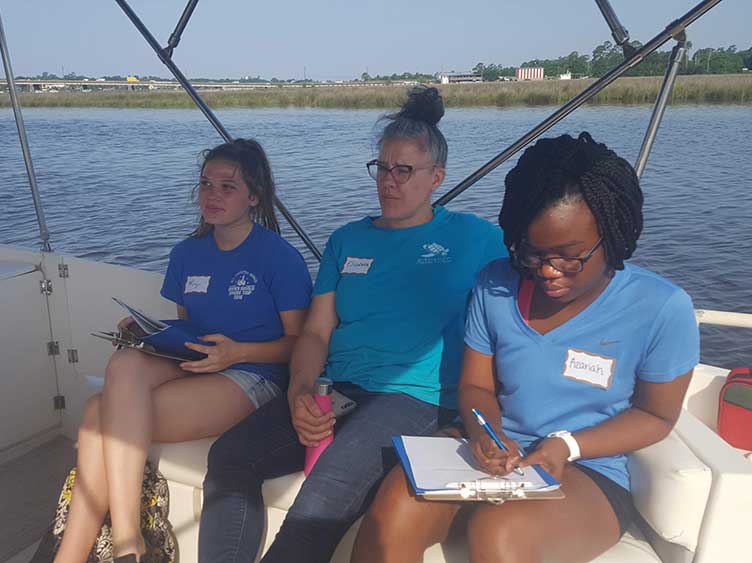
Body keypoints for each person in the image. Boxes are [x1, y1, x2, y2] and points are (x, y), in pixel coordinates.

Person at [352, 132, 700, 563]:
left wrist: (565, 445)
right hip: (496, 453)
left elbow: (656, 415)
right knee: (392, 509)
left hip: (587, 468)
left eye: (569, 256)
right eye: (533, 255)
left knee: (501, 534)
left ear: (611, 234)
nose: (549, 271)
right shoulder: (495, 285)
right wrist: (486, 433)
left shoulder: (661, 307)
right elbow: (477, 389)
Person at [199, 86, 506, 563]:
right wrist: (301, 391)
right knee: (228, 459)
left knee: (322, 495)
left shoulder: (479, 238)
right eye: (382, 168)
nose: (389, 181)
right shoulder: (347, 241)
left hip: (417, 399)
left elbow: (527, 312)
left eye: (404, 170)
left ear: (436, 178)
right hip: (336, 388)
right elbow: (316, 332)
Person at [53, 139, 312, 563]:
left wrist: (237, 353)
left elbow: (299, 344)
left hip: (254, 373)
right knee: (126, 360)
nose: (213, 195)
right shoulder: (187, 254)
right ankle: (123, 540)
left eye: (228, 187)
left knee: (99, 415)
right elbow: (191, 325)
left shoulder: (278, 257)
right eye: (206, 184)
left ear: (254, 196)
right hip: (197, 362)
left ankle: (92, 549)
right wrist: (149, 330)